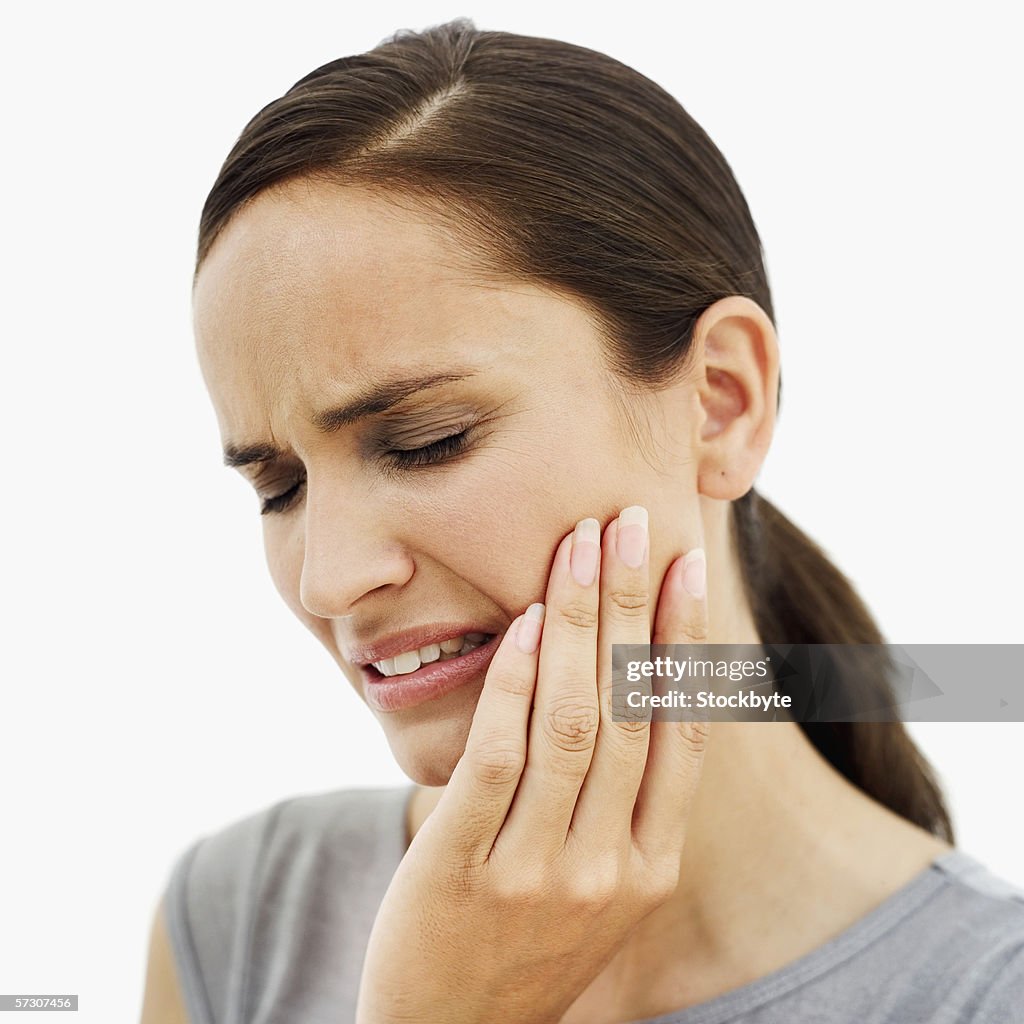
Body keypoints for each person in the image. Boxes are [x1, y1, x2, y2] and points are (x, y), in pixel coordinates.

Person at [139, 18, 1024, 1024]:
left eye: (426, 439)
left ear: (721, 402)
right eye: (280, 487)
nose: (328, 580)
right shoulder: (243, 918)